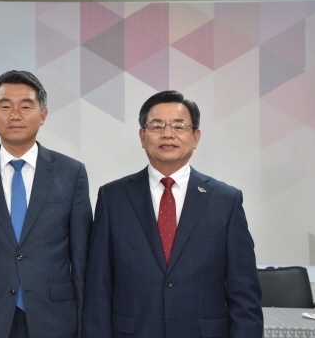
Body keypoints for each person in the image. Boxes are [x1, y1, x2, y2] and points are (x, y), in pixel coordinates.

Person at [83, 90, 263, 338]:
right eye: (157, 126)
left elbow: (244, 293)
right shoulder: (112, 197)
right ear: (142, 136)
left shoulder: (226, 200)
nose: (167, 134)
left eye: (179, 126)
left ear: (195, 137)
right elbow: (98, 288)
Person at [0, 70, 92, 338]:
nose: (15, 115)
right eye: (5, 106)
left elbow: (82, 259)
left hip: (54, 319)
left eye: (26, 106)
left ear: (43, 115)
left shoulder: (71, 173)